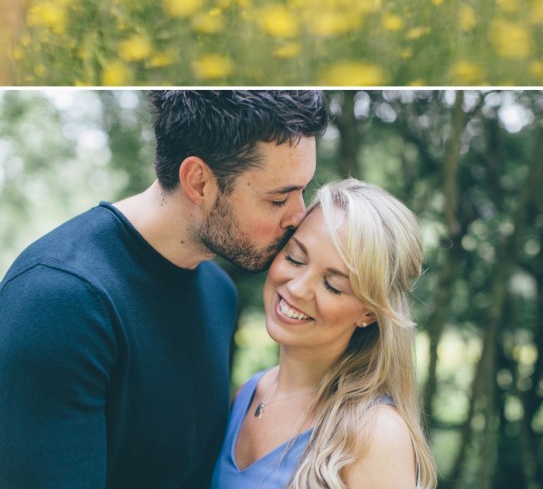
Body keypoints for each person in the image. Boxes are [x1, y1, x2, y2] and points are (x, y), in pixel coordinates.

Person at [0, 90, 328, 489]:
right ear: (199, 181)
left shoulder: (219, 294)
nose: (299, 216)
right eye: (278, 198)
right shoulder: (58, 301)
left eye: (301, 190)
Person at [212, 179, 437, 489]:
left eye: (333, 285)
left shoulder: (375, 434)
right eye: (294, 258)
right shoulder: (247, 393)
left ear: (369, 313)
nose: (297, 288)